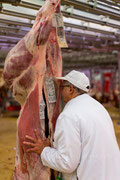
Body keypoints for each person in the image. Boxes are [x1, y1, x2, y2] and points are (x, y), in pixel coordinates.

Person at [24, 70, 120, 180]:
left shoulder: (68, 115)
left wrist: (44, 151)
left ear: (70, 89)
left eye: (62, 88)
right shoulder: (98, 107)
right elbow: (85, 143)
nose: (60, 91)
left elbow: (67, 163)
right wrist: (54, 147)